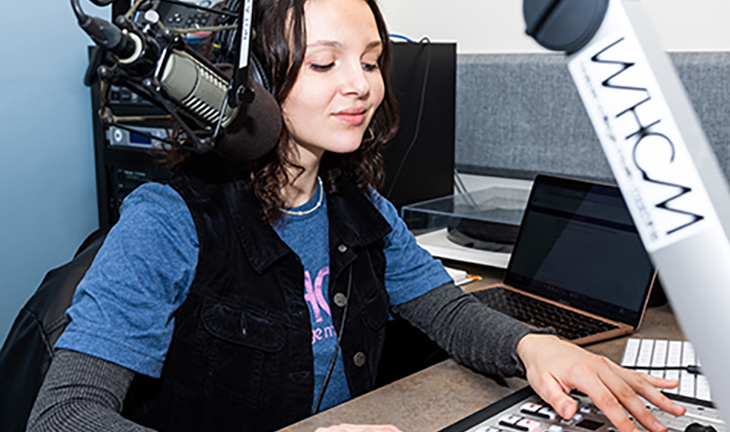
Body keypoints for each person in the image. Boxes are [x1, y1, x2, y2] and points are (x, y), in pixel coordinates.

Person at [27, 0, 686, 431]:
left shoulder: (361, 207)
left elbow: (445, 310)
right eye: (324, 62)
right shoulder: (165, 221)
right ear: (246, 79)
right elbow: (64, 415)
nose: (361, 85)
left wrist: (531, 345)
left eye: (371, 61)